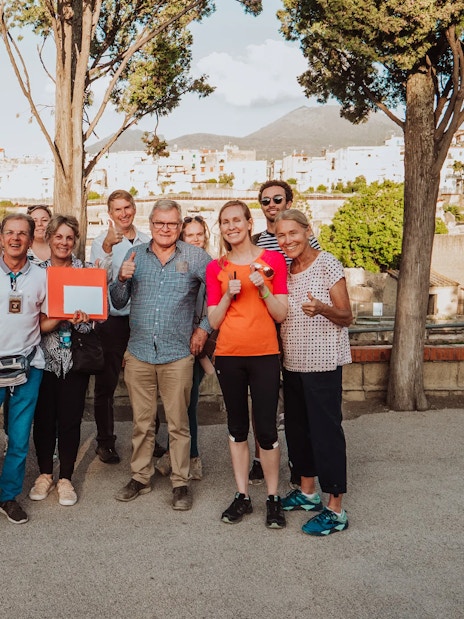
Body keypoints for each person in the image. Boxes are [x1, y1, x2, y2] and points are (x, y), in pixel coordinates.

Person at [110, 199, 211, 511]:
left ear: (179, 227)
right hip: (139, 352)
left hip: (178, 353)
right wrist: (121, 279)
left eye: (172, 224)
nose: (165, 229)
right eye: (159, 223)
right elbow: (117, 301)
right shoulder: (134, 255)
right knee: (142, 422)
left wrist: (204, 328)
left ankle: (180, 482)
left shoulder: (196, 257)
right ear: (150, 225)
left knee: (178, 423)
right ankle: (140, 476)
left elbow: (217, 295)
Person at [206, 200, 288, 528]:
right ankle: (242, 495)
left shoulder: (272, 261)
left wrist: (263, 289)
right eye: (225, 222)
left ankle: (272, 497)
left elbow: (281, 313)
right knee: (237, 428)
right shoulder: (217, 268)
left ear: (249, 222)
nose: (231, 226)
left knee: (266, 430)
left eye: (236, 220)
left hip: (265, 354)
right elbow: (213, 320)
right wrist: (228, 295)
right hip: (229, 355)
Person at [275, 209, 352, 536]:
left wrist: (322, 308)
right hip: (293, 363)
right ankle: (307, 493)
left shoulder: (327, 263)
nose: (287, 240)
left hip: (322, 365)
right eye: (281, 235)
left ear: (308, 231)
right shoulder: (287, 270)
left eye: (293, 233)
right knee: (297, 430)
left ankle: (335, 509)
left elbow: (347, 315)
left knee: (326, 433)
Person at [249, 180, 321, 486]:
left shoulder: (307, 240)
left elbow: (315, 273)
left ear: (289, 200)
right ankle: (258, 457)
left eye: (278, 199)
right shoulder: (256, 243)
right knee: (261, 397)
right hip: (265, 327)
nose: (272, 204)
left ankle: (298, 460)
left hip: (298, 326)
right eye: (265, 201)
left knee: (295, 398)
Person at [29, 215, 93, 507]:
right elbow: (32, 320)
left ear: (75, 241)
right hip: (42, 358)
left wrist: (85, 319)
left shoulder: (86, 271)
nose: (64, 243)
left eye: (69, 238)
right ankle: (44, 474)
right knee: (43, 420)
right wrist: (57, 319)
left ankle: (65, 478)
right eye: (59, 237)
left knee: (70, 419)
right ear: (49, 238)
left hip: (75, 359)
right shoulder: (36, 272)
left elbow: (95, 321)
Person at [90, 190, 150, 464]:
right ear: (110, 213)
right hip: (112, 321)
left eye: (127, 207)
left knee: (149, 382)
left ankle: (151, 440)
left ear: (134, 208)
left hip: (140, 319)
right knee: (107, 385)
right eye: (117, 210)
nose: (123, 213)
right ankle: (105, 442)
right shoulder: (101, 242)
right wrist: (107, 250)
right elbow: (95, 280)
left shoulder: (148, 242)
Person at [155, 214, 212, 481]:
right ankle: (172, 452)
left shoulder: (209, 266)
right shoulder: (180, 264)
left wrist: (202, 333)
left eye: (199, 234)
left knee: (187, 403)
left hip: (199, 342)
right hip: (175, 342)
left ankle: (193, 456)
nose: (195, 239)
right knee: (174, 404)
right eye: (190, 235)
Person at [0, 213, 47, 524]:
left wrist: (74, 313)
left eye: (22, 234)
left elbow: (45, 320)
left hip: (28, 364)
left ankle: (8, 496)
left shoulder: (42, 276)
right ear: (2, 238)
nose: (15, 238)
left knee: (18, 438)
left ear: (31, 241)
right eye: (9, 232)